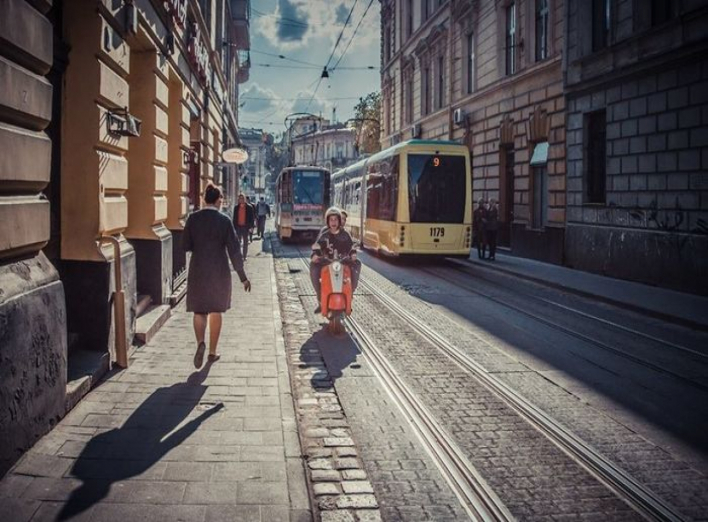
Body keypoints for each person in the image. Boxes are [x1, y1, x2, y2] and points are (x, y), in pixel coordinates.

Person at [183, 184, 251, 368]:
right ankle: (212, 352)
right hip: (219, 271)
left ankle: (200, 343)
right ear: (219, 200)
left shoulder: (193, 218)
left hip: (198, 269)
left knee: (199, 310)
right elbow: (235, 251)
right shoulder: (224, 221)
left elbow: (186, 245)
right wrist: (243, 277)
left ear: (204, 198)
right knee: (216, 310)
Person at [310, 207, 360, 314]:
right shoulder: (324, 234)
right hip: (326, 261)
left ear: (339, 221)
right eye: (331, 220)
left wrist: (353, 254)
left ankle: (350, 292)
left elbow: (351, 247)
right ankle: (320, 298)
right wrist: (315, 255)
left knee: (357, 264)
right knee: (313, 267)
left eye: (336, 219)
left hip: (342, 261)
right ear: (327, 221)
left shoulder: (345, 234)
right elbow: (317, 246)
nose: (334, 222)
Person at [232, 193, 255, 260]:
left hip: (246, 227)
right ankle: (239, 255)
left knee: (245, 242)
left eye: (242, 198)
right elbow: (234, 218)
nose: (241, 200)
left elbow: (252, 218)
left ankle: (244, 256)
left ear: (245, 199)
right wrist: (233, 227)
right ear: (238, 200)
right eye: (239, 198)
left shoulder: (249, 207)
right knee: (237, 242)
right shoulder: (236, 207)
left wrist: (251, 227)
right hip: (238, 227)